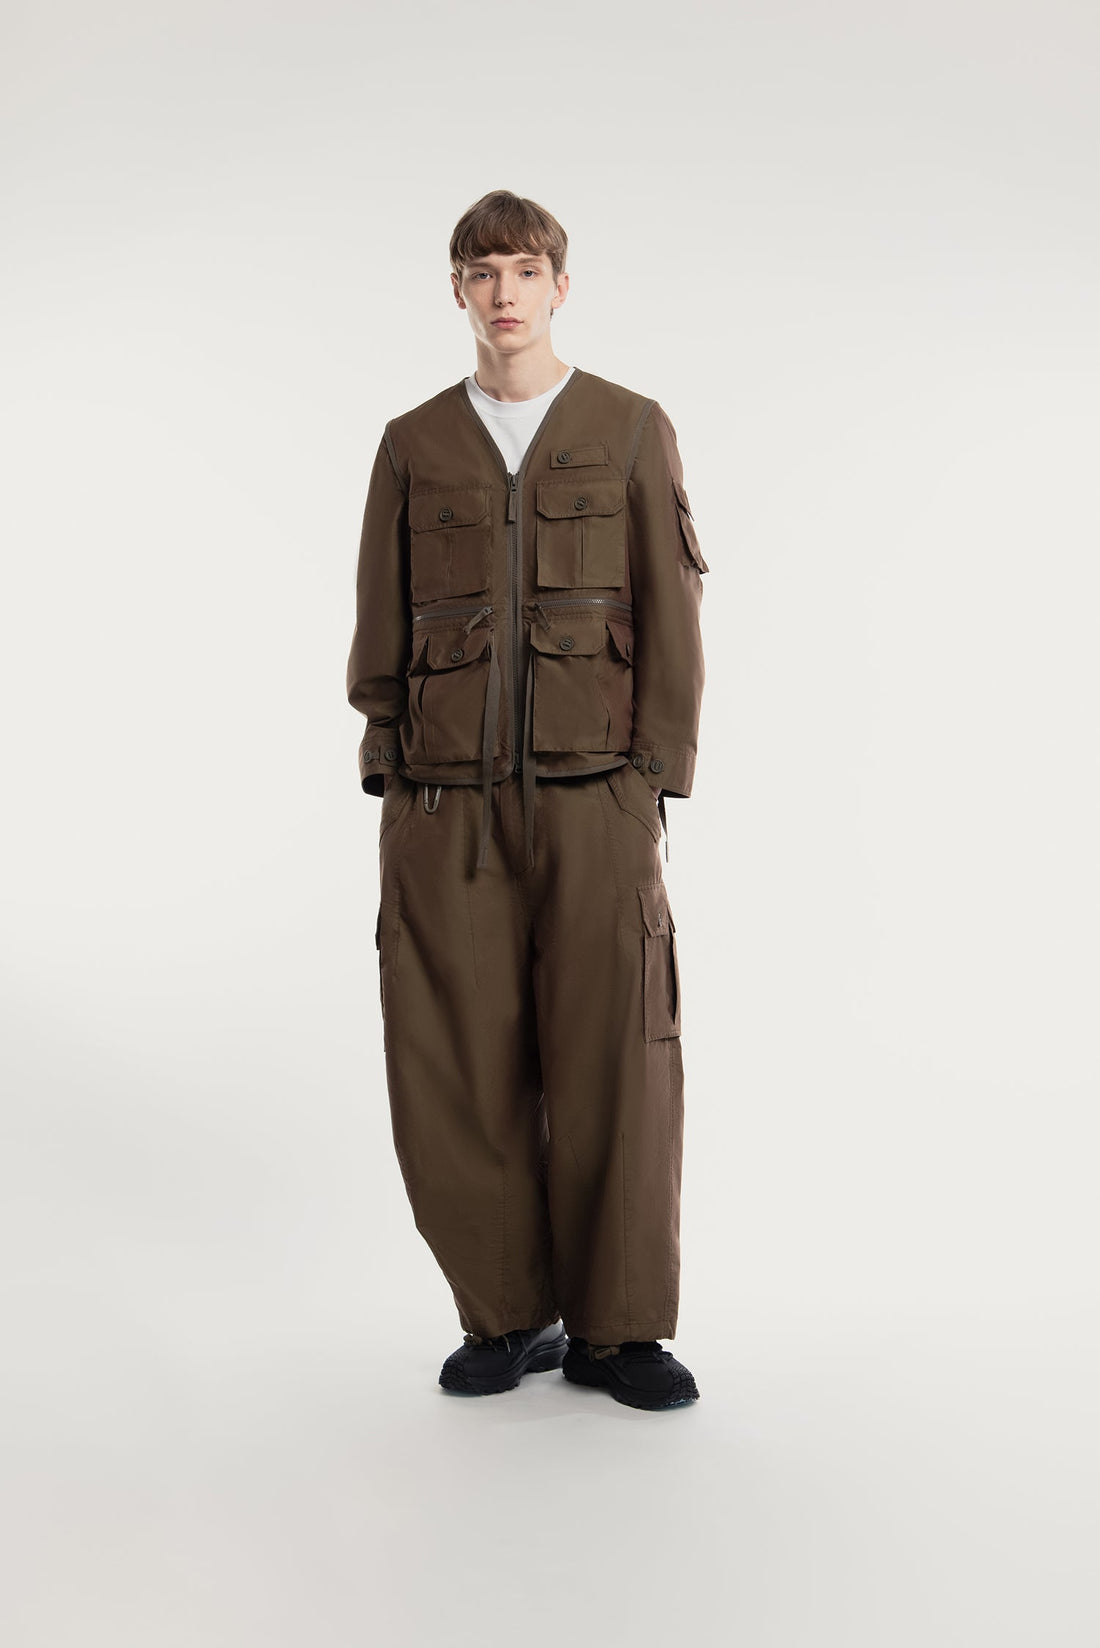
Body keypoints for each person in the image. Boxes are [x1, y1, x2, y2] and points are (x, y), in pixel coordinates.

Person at [346, 189, 708, 1411]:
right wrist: (390, 767)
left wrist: (651, 780)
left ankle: (619, 1331)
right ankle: (505, 1313)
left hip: (596, 796)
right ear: (456, 291)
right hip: (442, 805)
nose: (503, 292)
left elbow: (671, 616)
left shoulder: (627, 428)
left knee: (617, 1060)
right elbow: (379, 617)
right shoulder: (412, 444)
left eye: (523, 269)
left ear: (559, 285)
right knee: (452, 1059)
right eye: (480, 271)